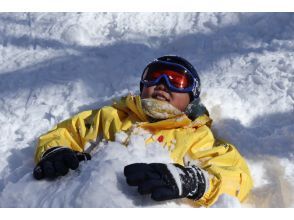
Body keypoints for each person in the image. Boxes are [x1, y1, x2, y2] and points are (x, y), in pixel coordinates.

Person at [33, 55, 253, 207]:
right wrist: (55, 151)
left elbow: (236, 176)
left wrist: (192, 181)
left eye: (176, 80)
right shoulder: (111, 117)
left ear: (191, 99)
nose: (163, 84)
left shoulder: (195, 136)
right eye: (154, 76)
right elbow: (66, 132)